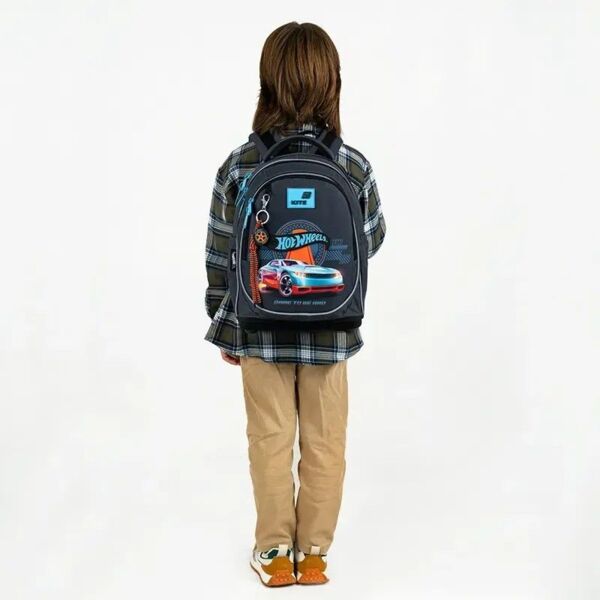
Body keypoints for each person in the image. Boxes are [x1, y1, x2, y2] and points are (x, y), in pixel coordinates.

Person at [204, 22, 386, 587]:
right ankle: (315, 555)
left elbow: (220, 250)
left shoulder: (241, 165)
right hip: (334, 329)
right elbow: (372, 240)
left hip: (259, 328)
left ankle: (275, 552)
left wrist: (221, 320)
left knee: (270, 439)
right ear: (333, 83)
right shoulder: (352, 166)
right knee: (326, 444)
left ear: (267, 83)